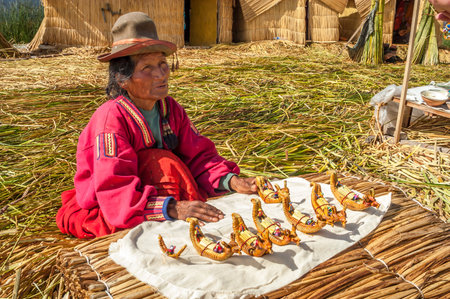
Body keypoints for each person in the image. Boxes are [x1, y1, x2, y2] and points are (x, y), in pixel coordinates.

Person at [56, 12, 257, 239]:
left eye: (162, 64)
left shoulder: (170, 109)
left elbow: (199, 156)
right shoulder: (111, 121)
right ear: (123, 79)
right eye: (147, 68)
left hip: (169, 196)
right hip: (122, 206)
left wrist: (232, 181)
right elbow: (114, 189)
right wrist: (173, 208)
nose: (161, 74)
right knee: (159, 161)